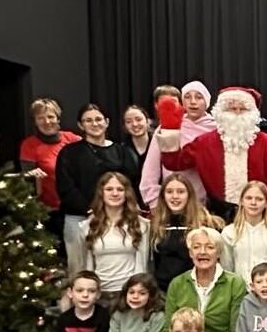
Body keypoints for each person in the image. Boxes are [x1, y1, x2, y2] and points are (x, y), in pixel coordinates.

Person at [157, 86, 267, 219]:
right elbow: (175, 163)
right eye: (232, 109)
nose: (237, 114)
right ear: (221, 112)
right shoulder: (204, 143)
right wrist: (170, 129)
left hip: (258, 214)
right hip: (217, 216)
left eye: (243, 109)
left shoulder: (266, 142)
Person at [56, 103, 139, 271]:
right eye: (88, 120)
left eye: (98, 119)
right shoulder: (69, 152)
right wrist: (91, 210)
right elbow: (66, 186)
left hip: (117, 218)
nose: (95, 124)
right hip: (79, 218)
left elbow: (131, 183)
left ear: (107, 122)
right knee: (80, 270)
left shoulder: (121, 151)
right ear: (80, 125)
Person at [75, 171, 151, 300]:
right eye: (109, 189)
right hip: (98, 294)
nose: (115, 193)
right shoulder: (87, 226)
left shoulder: (141, 225)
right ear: (101, 193)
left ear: (126, 193)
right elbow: (86, 266)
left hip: (129, 294)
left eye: (120, 189)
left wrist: (136, 293)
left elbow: (142, 265)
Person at [140, 80, 215, 209]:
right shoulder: (168, 127)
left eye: (198, 97)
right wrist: (154, 201)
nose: (192, 102)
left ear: (207, 101)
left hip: (205, 204)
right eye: (187, 97)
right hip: (171, 202)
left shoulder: (216, 129)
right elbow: (150, 170)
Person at [20, 97, 80, 244]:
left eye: (50, 116)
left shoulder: (72, 139)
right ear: (35, 121)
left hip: (75, 209)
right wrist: (31, 175)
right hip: (47, 212)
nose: (47, 122)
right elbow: (26, 179)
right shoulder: (29, 145)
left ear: (58, 118)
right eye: (41, 118)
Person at [149, 172, 224, 290]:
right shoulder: (156, 225)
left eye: (180, 192)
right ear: (163, 196)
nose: (175, 196)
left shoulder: (208, 224)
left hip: (197, 289)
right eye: (169, 192)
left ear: (189, 195)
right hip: (164, 291)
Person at [221, 180, 267, 286]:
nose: (253, 203)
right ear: (241, 201)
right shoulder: (229, 233)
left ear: (266, 203)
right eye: (249, 198)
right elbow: (227, 269)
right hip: (241, 292)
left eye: (259, 199)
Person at [123, 104, 152, 168]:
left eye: (138, 119)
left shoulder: (158, 144)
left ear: (148, 121)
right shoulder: (121, 149)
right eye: (128, 121)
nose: (134, 124)